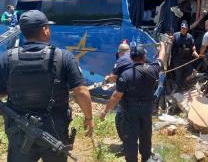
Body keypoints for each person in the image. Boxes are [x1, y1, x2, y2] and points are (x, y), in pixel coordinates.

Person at [0, 10, 93, 162]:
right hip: (55, 130)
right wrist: (89, 118)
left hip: (18, 130)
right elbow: (81, 92)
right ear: (44, 29)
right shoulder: (63, 57)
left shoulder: (6, 58)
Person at [100, 42, 165, 162]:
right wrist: (163, 46)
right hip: (146, 110)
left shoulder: (125, 75)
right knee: (146, 136)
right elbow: (161, 58)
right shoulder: (152, 69)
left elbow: (116, 96)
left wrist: (105, 111)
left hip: (130, 111)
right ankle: (146, 158)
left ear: (131, 58)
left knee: (130, 139)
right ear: (144, 57)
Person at [104, 42, 133, 149]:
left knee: (120, 119)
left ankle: (126, 145)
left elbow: (113, 77)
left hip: (126, 95)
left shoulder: (121, 60)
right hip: (140, 95)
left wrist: (107, 78)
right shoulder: (135, 57)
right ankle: (131, 142)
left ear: (119, 52)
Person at [171, 21, 199, 92]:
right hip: (177, 59)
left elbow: (193, 45)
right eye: (182, 28)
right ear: (180, 28)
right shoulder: (175, 35)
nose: (183, 29)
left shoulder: (189, 36)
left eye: (185, 28)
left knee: (189, 72)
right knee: (178, 74)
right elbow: (171, 44)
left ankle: (183, 84)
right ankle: (178, 89)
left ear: (187, 29)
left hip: (187, 59)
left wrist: (194, 51)